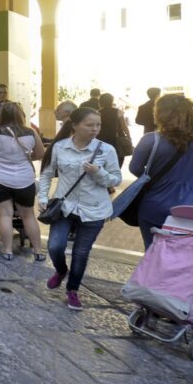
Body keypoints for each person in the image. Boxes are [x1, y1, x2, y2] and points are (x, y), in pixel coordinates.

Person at [39, 107, 122, 310]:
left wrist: (98, 172)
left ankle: (73, 290)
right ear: (75, 125)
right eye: (89, 125)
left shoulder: (106, 150)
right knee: (55, 246)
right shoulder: (60, 147)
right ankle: (61, 270)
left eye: (98, 125)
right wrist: (42, 196)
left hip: (94, 209)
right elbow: (47, 173)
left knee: (81, 252)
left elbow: (116, 179)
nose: (95, 129)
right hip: (65, 206)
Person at [128, 94, 193, 250]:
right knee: (183, 256)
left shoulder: (150, 140)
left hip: (153, 207)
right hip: (190, 209)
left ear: (160, 115)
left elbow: (134, 168)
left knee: (153, 253)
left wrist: (150, 179)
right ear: (191, 115)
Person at [0, 101, 45, 261]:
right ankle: (38, 251)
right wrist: (26, 157)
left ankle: (7, 250)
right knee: (28, 216)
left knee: (4, 215)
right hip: (24, 180)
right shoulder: (31, 132)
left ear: (1, 115)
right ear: (21, 115)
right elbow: (40, 154)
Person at [96, 92, 130, 169]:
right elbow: (124, 127)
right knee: (118, 158)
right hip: (117, 139)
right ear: (111, 101)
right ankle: (115, 175)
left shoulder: (97, 113)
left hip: (102, 138)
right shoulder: (118, 112)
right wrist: (129, 137)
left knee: (104, 159)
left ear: (100, 101)